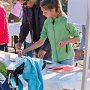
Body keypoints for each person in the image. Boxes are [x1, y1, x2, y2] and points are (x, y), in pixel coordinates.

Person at [18, 0, 80, 65]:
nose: (43, 14)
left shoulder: (65, 21)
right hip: (54, 59)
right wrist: (25, 51)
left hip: (67, 59)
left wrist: (66, 41)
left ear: (52, 10)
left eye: (45, 12)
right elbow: (40, 42)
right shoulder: (47, 23)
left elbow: (78, 38)